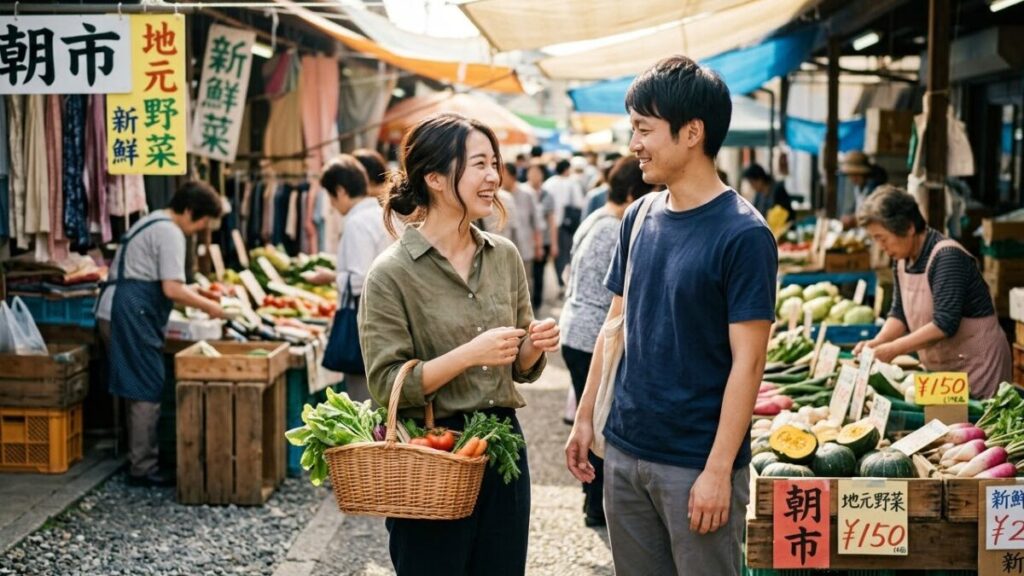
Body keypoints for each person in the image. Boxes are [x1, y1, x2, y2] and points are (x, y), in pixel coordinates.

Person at [564, 55, 777, 576]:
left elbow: (749, 364)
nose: (633, 143)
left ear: (692, 133)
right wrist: (586, 417)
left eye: (644, 129)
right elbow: (614, 327)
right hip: (625, 449)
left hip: (694, 463)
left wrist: (718, 470)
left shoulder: (745, 235)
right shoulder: (638, 216)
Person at [358, 112, 561, 576]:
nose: (493, 177)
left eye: (495, 163)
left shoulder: (504, 256)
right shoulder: (391, 274)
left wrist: (533, 344)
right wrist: (470, 354)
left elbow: (519, 367)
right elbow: (386, 384)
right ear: (433, 178)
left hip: (503, 445)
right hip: (431, 449)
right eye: (479, 164)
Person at [97, 181, 228, 487]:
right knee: (147, 384)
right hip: (130, 311)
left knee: (136, 383)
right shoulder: (170, 232)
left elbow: (166, 281)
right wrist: (211, 306)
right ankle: (143, 467)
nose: (199, 230)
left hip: (119, 308)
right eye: (202, 222)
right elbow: (171, 288)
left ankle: (137, 455)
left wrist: (199, 293)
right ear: (190, 211)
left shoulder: (153, 220)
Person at [560, 156, 655, 528]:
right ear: (632, 193)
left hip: (575, 328)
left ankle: (593, 501)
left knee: (594, 417)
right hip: (591, 334)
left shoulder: (595, 218)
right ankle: (595, 504)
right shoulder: (617, 228)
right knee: (601, 419)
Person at [853, 186, 1011, 399]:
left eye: (882, 238)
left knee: (978, 419)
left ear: (908, 227)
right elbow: (899, 314)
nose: (880, 246)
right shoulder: (902, 260)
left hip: (976, 365)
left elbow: (944, 324)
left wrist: (892, 350)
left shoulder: (947, 257)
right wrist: (877, 343)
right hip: (944, 373)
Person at [307, 154, 393, 402]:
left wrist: (331, 278)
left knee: (365, 403)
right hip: (387, 325)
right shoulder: (381, 215)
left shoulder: (357, 223)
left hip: (367, 329)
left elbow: (361, 280)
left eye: (331, 197)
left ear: (341, 191)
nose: (333, 205)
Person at [543, 159, 586, 291]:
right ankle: (566, 283)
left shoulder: (548, 183)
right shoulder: (571, 183)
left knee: (556, 255)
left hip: (549, 223)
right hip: (566, 224)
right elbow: (579, 203)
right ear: (566, 169)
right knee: (566, 254)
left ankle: (560, 282)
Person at [503, 162, 543, 291]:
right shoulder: (498, 195)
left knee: (525, 283)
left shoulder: (527, 194)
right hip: (505, 248)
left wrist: (538, 246)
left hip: (525, 248)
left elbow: (536, 222)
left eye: (503, 174)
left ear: (513, 176)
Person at [526, 162, 557, 311]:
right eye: (531, 173)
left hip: (543, 240)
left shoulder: (547, 195)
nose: (534, 176)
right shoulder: (523, 192)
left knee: (538, 273)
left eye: (537, 173)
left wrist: (554, 243)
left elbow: (551, 221)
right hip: (526, 241)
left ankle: (536, 304)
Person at [839, 150, 885, 222]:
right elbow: (857, 207)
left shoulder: (875, 189)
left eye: (856, 175)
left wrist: (855, 219)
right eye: (851, 175)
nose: (853, 179)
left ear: (864, 174)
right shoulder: (858, 188)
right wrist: (849, 215)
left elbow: (874, 214)